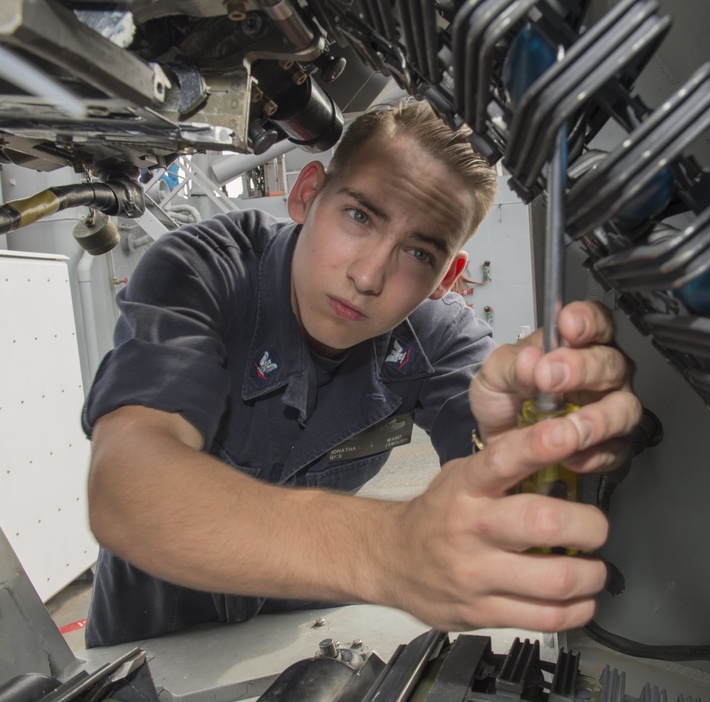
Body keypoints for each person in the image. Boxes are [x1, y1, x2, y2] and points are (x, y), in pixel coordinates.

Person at [83, 100, 641, 648]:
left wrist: (530, 446)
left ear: (448, 276)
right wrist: (384, 551)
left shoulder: (439, 339)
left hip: (297, 644)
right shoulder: (206, 269)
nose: (370, 276)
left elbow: (515, 518)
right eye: (360, 216)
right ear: (306, 194)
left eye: (419, 254)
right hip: (151, 650)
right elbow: (126, 485)